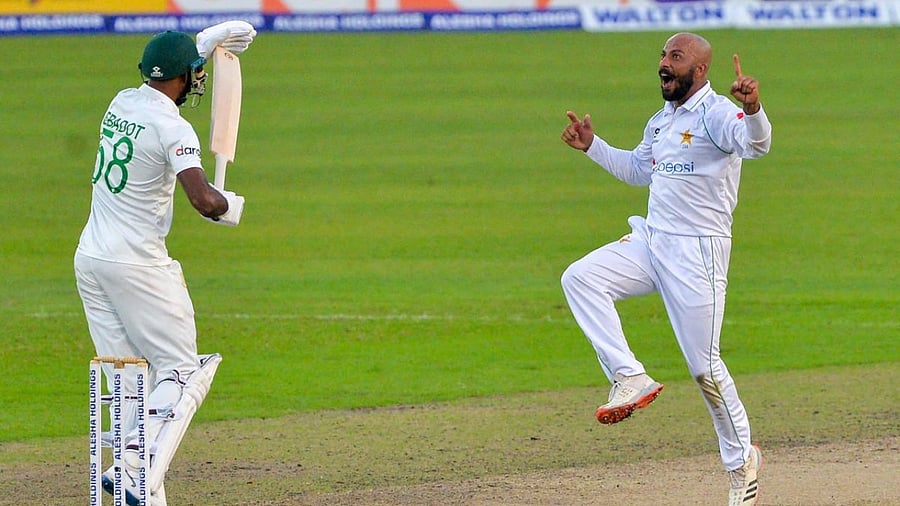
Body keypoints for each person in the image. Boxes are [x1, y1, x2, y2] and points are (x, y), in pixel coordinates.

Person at [559, 32, 771, 506]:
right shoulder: (662, 120)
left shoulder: (718, 113)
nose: (663, 64)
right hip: (653, 241)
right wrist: (594, 146)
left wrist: (754, 110)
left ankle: (741, 463)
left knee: (704, 368)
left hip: (698, 254)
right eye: (662, 55)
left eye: (675, 58)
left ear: (699, 71)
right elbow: (638, 171)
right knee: (580, 277)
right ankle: (628, 376)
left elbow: (756, 146)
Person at [74, 21, 256, 505]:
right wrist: (228, 206)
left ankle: (137, 492)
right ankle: (134, 469)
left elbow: (164, 79)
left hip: (92, 259)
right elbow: (202, 199)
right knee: (183, 371)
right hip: (138, 265)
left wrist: (199, 47)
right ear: (182, 78)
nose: (199, 80)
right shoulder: (175, 128)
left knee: (132, 377)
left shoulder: (121, 102)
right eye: (194, 73)